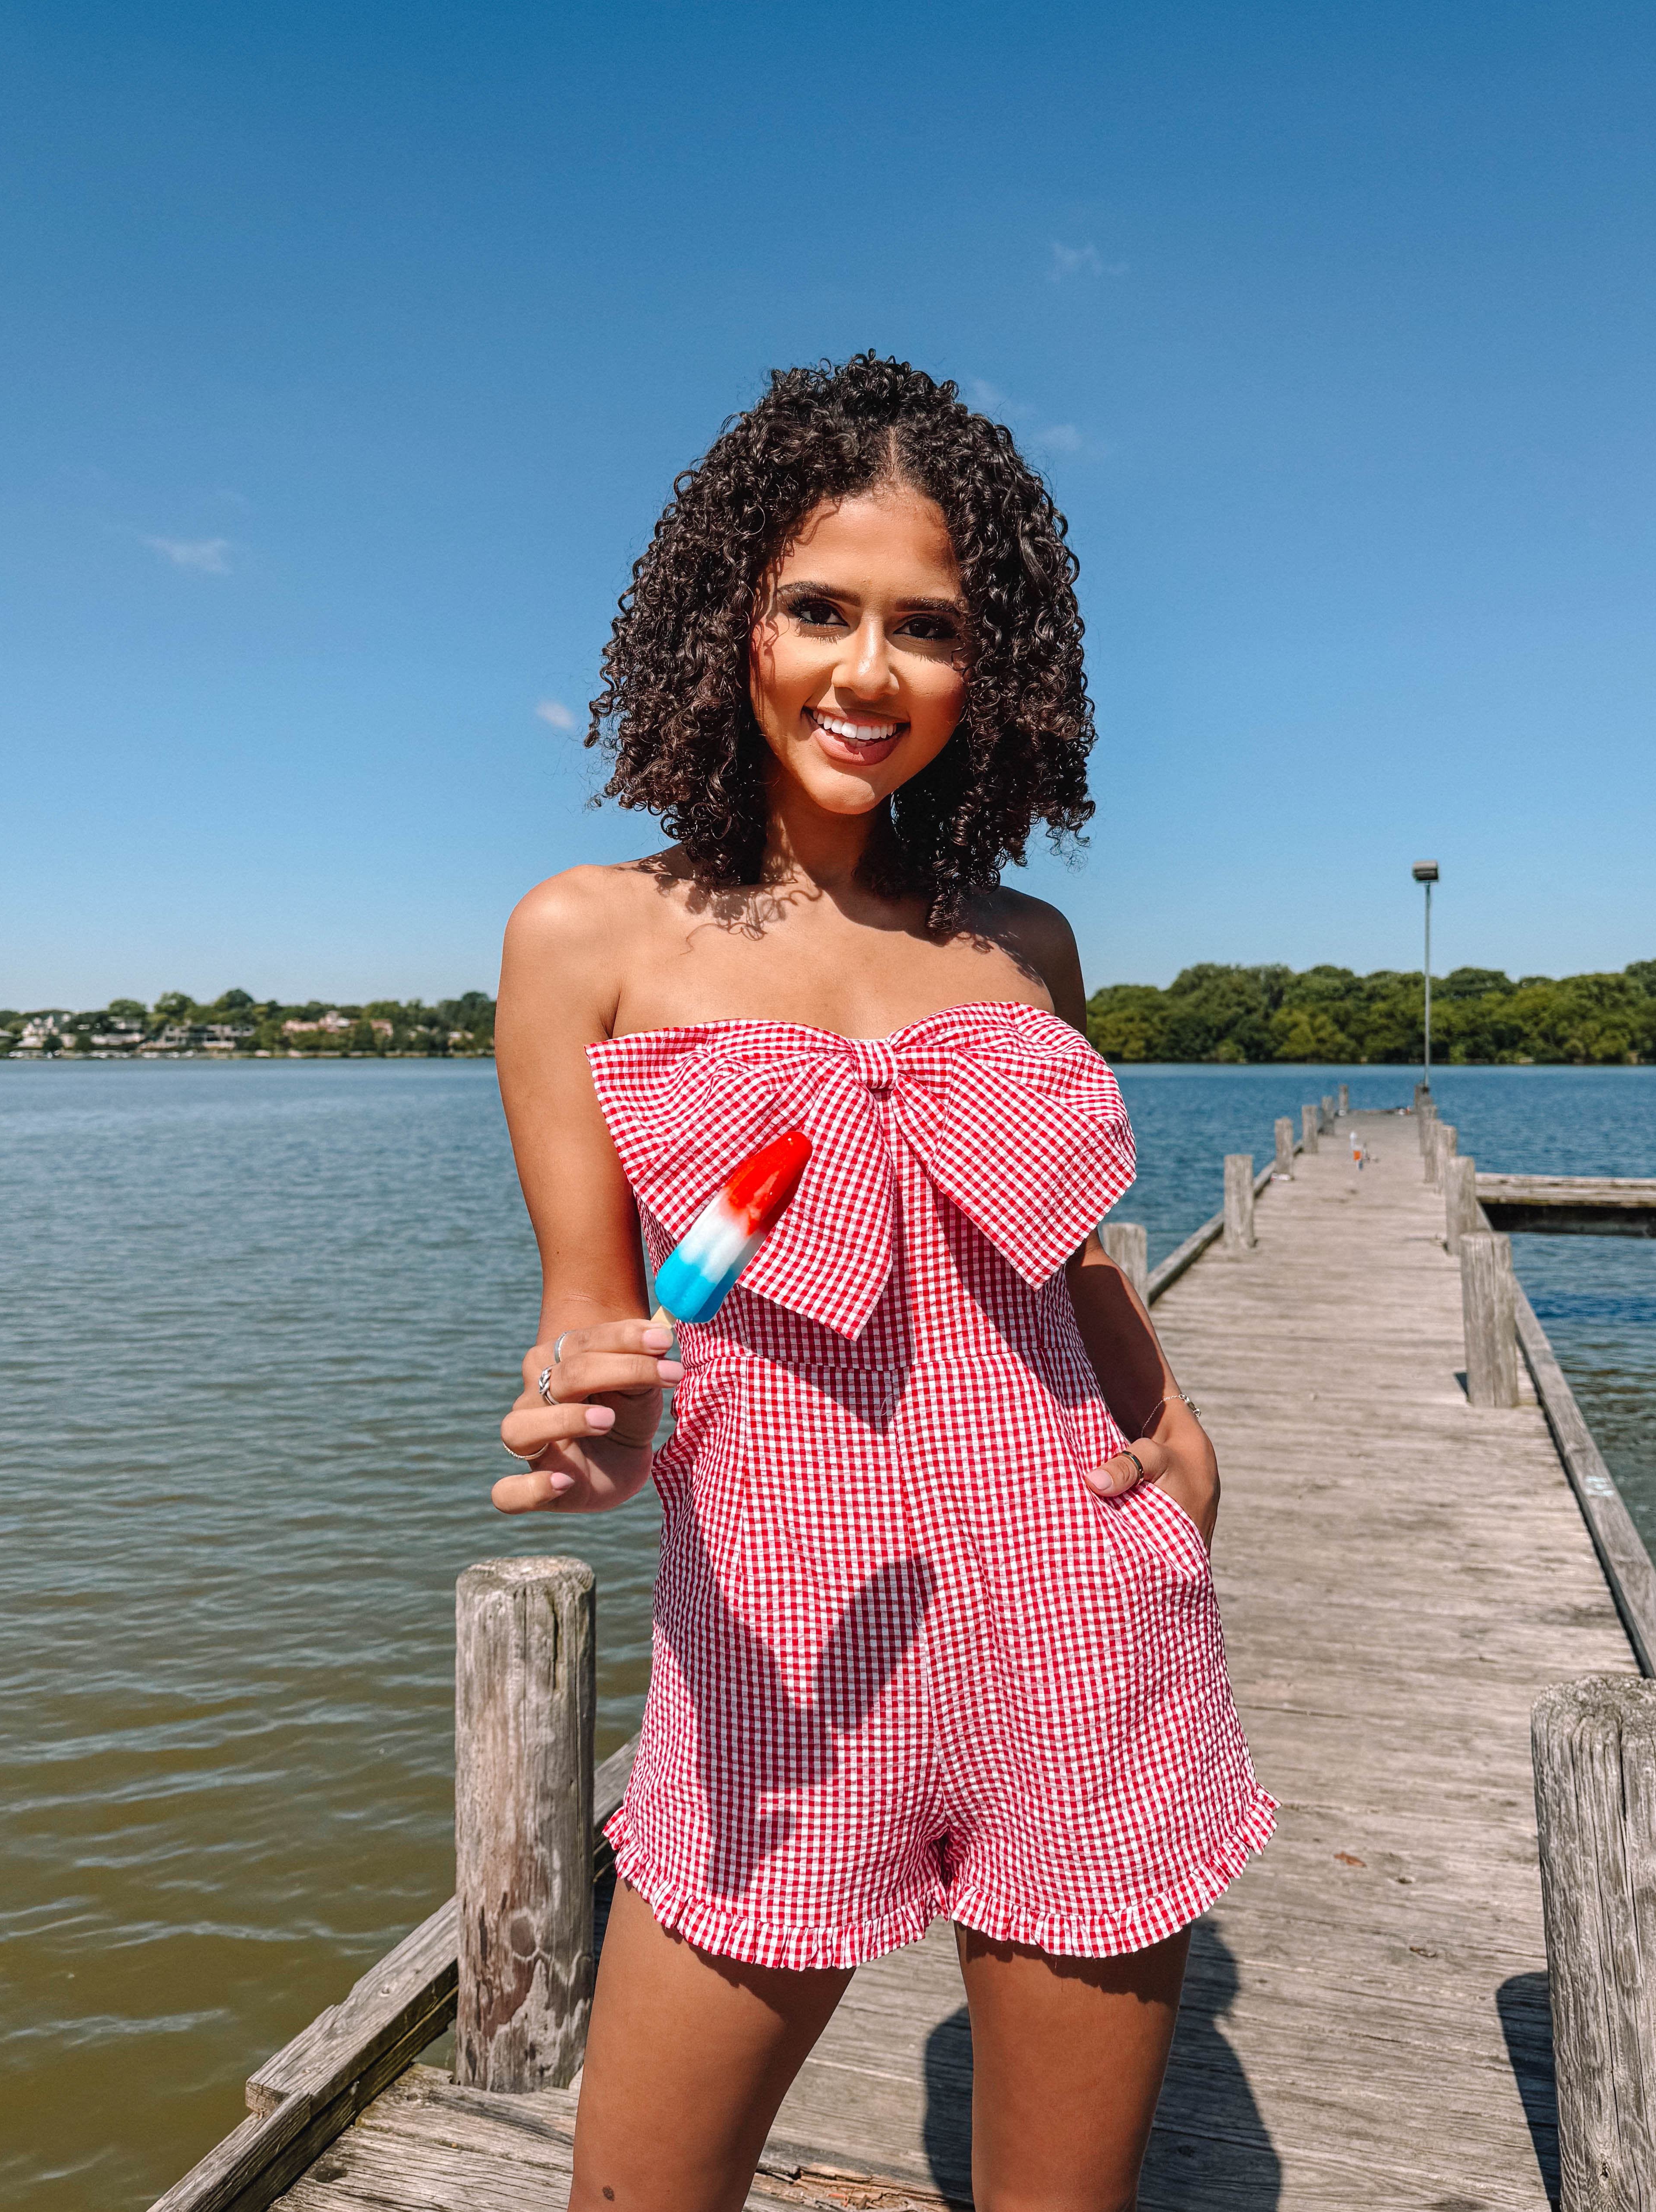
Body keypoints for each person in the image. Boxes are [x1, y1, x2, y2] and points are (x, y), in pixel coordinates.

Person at [491, 355, 1273, 2212]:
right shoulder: (585, 934)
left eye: (927, 628)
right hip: (776, 1652)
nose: (867, 672)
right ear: (728, 623)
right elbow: (593, 1319)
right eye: (817, 610)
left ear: (992, 675)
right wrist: (598, 1432)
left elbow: (1058, 1249)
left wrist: (1173, 1433)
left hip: (1080, 1624)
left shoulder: (1024, 946)